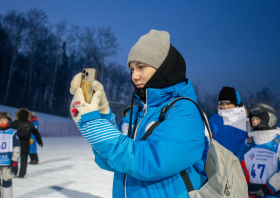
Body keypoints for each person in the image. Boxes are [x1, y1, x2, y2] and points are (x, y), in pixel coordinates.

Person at [69, 29, 207, 197]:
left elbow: (150, 162)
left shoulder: (184, 111)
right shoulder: (139, 111)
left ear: (163, 68)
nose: (134, 75)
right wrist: (102, 113)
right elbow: (109, 160)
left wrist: (92, 123)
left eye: (141, 67)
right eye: (132, 68)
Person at [238, 103, 280, 198]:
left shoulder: (278, 143)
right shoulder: (248, 143)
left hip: (272, 194)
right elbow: (238, 164)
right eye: (252, 120)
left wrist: (267, 188)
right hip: (249, 194)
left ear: (268, 119)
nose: (254, 122)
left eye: (257, 119)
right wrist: (243, 184)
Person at [209, 86, 249, 156]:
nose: (225, 107)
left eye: (228, 104)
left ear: (236, 103)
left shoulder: (246, 119)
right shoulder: (214, 120)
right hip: (220, 162)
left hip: (240, 162)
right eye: (222, 104)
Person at [12, 108, 43, 178]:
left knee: (14, 159)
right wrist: (39, 141)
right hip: (26, 144)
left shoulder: (15, 123)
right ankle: (22, 174)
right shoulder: (30, 124)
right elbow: (36, 133)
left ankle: (13, 172)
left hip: (16, 143)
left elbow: (8, 131)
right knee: (24, 160)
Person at [0, 112, 20, 198]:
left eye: (4, 120)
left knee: (7, 183)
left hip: (7, 163)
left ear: (8, 121)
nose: (2, 121)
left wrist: (15, 160)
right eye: (0, 120)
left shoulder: (12, 132)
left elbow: (16, 148)